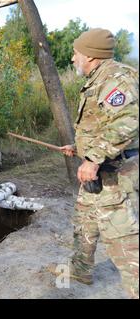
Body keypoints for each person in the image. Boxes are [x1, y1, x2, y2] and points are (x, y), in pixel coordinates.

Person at [58, 28, 138, 298]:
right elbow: (102, 124)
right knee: (84, 223)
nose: (72, 58)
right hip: (97, 174)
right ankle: (80, 270)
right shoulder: (98, 78)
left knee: (124, 243)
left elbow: (127, 122)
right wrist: (80, 148)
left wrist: (92, 158)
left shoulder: (118, 79)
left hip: (116, 175)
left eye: (75, 53)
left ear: (90, 56)